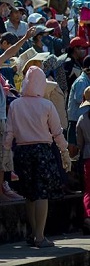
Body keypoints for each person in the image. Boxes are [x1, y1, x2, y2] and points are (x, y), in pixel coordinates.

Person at [6, 66, 70, 248]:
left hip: (22, 152)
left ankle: (33, 233)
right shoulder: (47, 105)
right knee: (42, 194)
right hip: (42, 150)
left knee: (29, 194)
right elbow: (57, 132)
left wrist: (5, 153)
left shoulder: (15, 104)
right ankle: (40, 237)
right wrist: (65, 153)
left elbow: (9, 131)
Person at [76, 88, 90, 233]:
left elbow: (79, 143)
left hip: (88, 156)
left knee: (88, 190)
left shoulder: (82, 119)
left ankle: (88, 217)